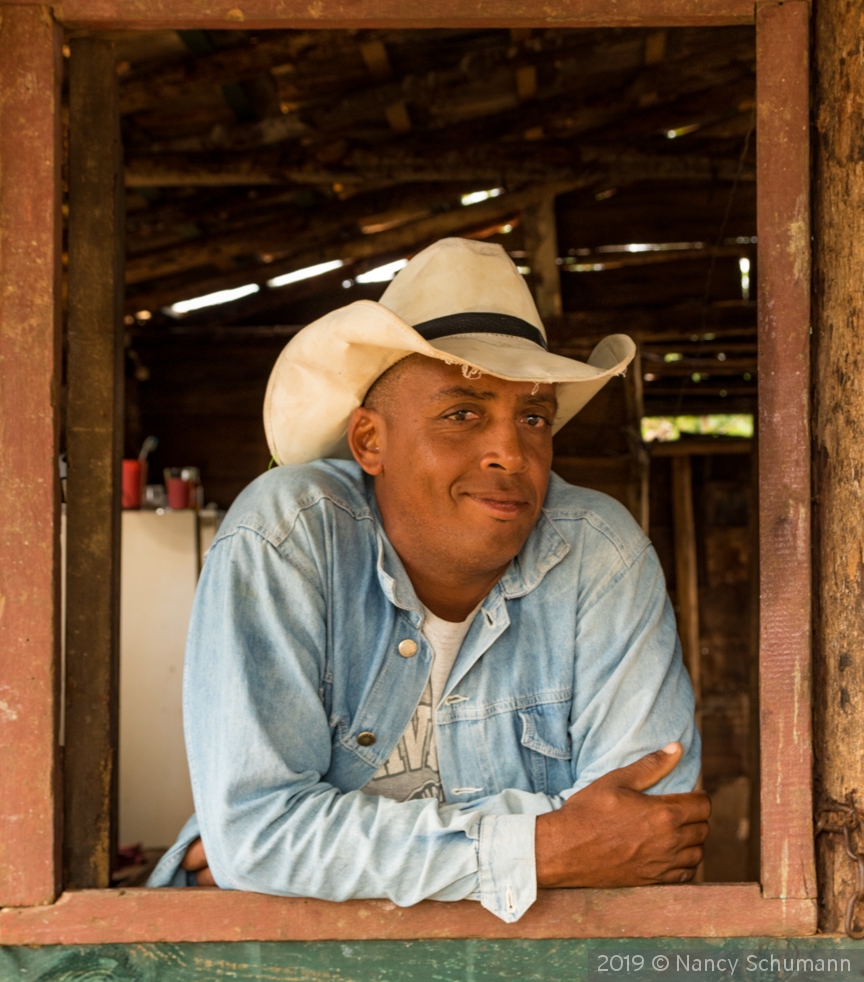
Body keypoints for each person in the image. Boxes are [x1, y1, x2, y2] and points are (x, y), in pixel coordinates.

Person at [148, 237, 709, 922]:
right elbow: (258, 837)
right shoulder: (288, 535)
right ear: (369, 442)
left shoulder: (599, 552)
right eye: (462, 413)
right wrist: (549, 846)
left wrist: (315, 855)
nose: (510, 449)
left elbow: (650, 836)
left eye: (533, 417)